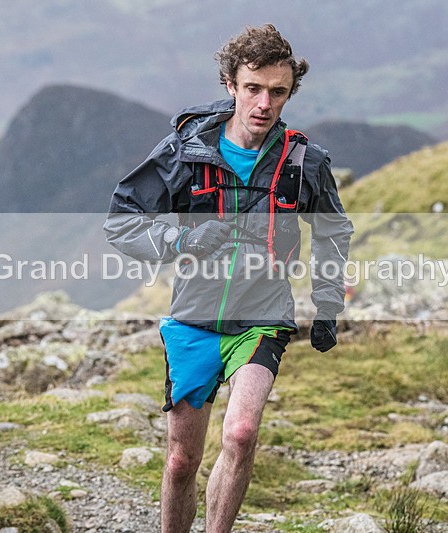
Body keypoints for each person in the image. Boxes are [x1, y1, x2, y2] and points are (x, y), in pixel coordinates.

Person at [104, 24, 353, 533]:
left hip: (261, 318)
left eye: (278, 92)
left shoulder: (304, 161)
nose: (264, 103)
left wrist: (327, 305)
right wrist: (180, 242)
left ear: (290, 92)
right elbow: (121, 220)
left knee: (240, 434)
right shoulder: (185, 153)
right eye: (253, 88)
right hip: (192, 321)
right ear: (230, 84)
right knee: (180, 462)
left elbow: (333, 230)